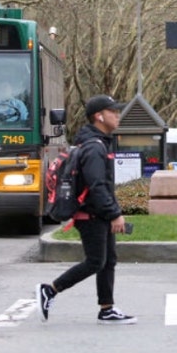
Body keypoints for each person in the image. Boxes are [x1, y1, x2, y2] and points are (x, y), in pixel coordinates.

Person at [36, 94, 136, 325]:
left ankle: (107, 308)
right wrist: (114, 213)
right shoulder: (94, 147)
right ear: (99, 116)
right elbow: (97, 185)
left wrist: (111, 212)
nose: (118, 116)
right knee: (95, 261)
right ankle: (49, 290)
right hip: (90, 215)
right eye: (113, 112)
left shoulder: (97, 143)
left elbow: (102, 186)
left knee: (108, 260)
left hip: (98, 214)